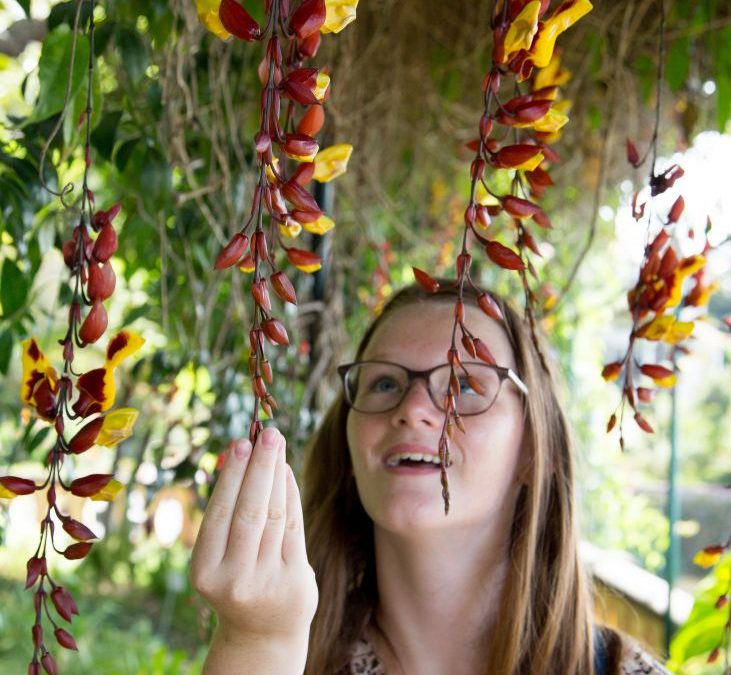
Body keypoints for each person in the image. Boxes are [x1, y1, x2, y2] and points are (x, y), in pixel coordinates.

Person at [190, 281, 671, 675]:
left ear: (533, 451)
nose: (414, 409)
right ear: (350, 445)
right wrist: (255, 646)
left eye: (463, 384)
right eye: (384, 383)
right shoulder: (283, 657)